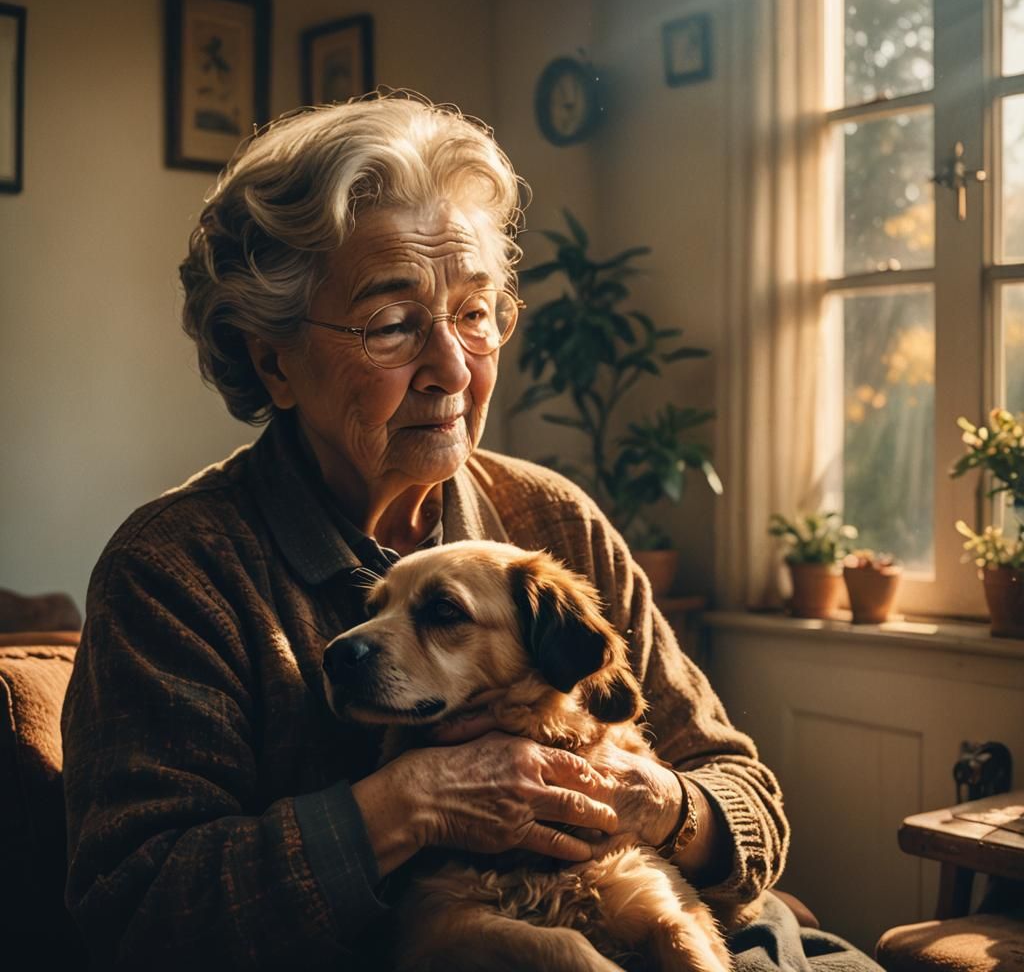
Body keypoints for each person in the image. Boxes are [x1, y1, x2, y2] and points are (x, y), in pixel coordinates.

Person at [61, 93, 871, 970]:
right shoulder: (176, 573)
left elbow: (749, 804)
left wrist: (656, 801)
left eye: (476, 312)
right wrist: (408, 802)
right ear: (272, 357)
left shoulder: (551, 522)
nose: (452, 367)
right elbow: (135, 911)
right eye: (393, 323)